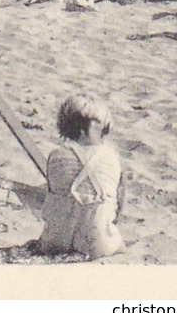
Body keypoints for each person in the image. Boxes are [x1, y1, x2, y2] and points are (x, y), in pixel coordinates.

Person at [36, 94, 126, 260]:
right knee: (119, 245)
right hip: (97, 244)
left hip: (56, 242)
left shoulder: (56, 155)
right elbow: (118, 207)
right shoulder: (111, 156)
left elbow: (52, 200)